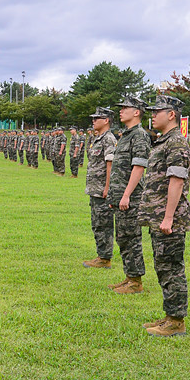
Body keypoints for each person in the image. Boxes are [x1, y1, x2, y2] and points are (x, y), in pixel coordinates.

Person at [139, 96, 190, 337]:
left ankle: (177, 321)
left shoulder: (176, 143)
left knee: (171, 268)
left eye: (157, 111)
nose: (153, 115)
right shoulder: (163, 141)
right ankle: (171, 315)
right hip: (159, 216)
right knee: (163, 266)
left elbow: (177, 181)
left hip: (169, 219)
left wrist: (168, 217)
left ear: (172, 114)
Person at [106, 95, 151, 294]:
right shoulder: (126, 135)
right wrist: (115, 196)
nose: (121, 110)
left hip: (130, 197)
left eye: (126, 107)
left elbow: (139, 167)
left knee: (131, 238)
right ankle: (129, 277)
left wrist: (126, 195)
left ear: (137, 112)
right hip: (120, 196)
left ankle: (136, 282)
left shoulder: (139, 135)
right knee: (123, 237)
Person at [83, 108, 117, 269]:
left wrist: (107, 188)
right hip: (94, 189)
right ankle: (101, 255)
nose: (93, 121)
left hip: (102, 190)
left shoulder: (108, 139)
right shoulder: (98, 138)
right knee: (97, 223)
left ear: (106, 120)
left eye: (97, 118)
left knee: (104, 224)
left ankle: (105, 258)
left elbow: (110, 165)